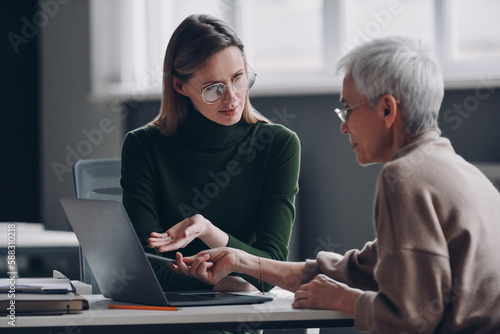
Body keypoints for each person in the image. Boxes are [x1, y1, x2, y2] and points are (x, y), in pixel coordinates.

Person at [168, 36, 500, 333]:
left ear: (387, 109)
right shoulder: (463, 173)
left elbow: (411, 320)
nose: (344, 127)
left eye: (348, 109)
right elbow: (357, 270)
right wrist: (242, 261)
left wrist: (345, 300)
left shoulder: (403, 177)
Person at [121, 14, 300, 292]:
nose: (232, 98)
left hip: (235, 320)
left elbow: (271, 268)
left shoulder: (278, 145)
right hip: (160, 314)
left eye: (238, 78)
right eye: (213, 88)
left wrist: (207, 231)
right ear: (180, 86)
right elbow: (144, 266)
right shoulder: (143, 146)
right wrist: (229, 283)